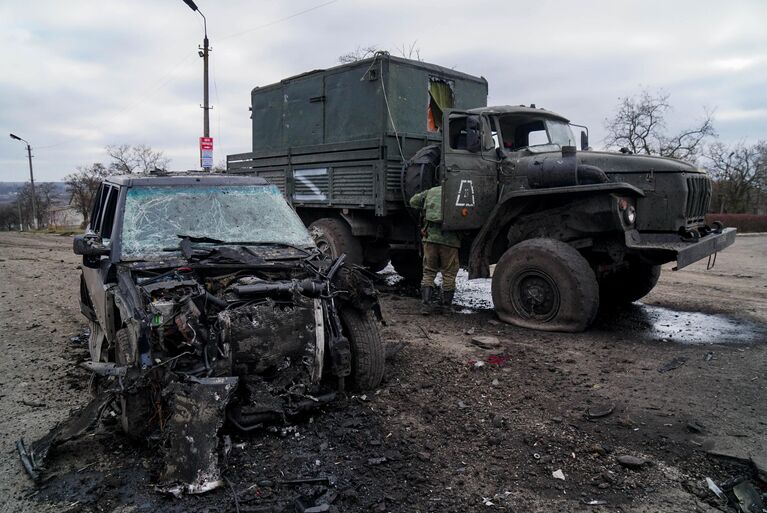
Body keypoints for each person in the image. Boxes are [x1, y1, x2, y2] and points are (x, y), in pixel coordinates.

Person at [409, 186, 460, 314]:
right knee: (448, 274)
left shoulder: (431, 191)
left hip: (430, 238)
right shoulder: (457, 192)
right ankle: (446, 307)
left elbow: (413, 202)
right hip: (450, 240)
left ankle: (425, 306)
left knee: (429, 272)